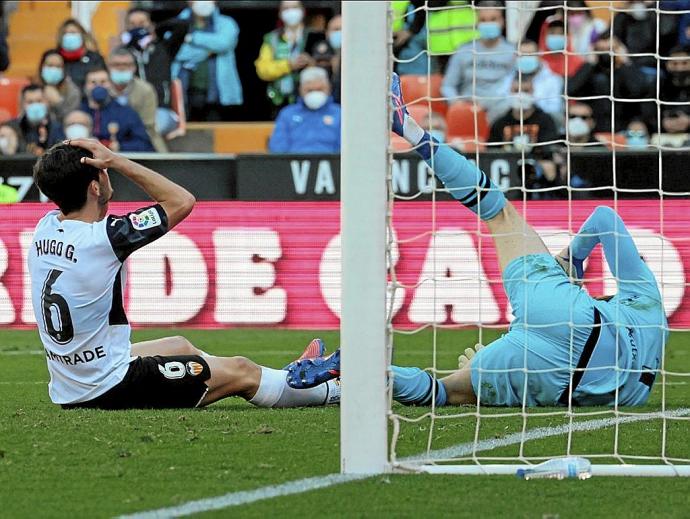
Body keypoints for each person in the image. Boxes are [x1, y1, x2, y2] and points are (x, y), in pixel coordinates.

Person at [288, 74, 666, 409]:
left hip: (571, 314)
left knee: (499, 212)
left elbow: (605, 218)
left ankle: (406, 127)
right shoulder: (640, 394)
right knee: (444, 392)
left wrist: (572, 262)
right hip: (560, 385)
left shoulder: (647, 300)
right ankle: (352, 368)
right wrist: (513, 348)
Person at [29, 139, 341, 410]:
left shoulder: (46, 227)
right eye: (103, 172)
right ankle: (331, 389)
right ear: (95, 187)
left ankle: (286, 378)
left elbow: (83, 206)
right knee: (241, 371)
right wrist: (118, 161)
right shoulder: (106, 238)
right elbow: (181, 201)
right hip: (109, 386)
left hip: (72, 380)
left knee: (180, 345)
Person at [121, 7, 189, 136]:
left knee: (151, 127)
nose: (137, 27)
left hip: (161, 110)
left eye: (142, 23)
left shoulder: (163, 48)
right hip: (131, 110)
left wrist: (156, 28)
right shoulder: (122, 52)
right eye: (133, 24)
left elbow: (183, 25)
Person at [441, 4, 515, 123]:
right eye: (483, 20)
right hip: (468, 111)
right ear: (477, 23)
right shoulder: (464, 50)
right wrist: (457, 103)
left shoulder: (513, 52)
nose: (488, 24)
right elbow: (447, 86)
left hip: (502, 112)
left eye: (493, 19)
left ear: (503, 22)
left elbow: (517, 86)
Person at [172, 1, 243, 121]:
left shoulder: (227, 23)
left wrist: (191, 38)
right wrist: (209, 50)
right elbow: (176, 52)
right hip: (186, 90)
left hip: (216, 93)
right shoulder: (176, 24)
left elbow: (224, 43)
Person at [568, 33, 651, 132]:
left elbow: (639, 90)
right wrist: (589, 64)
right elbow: (570, 90)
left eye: (610, 49)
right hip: (593, 128)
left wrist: (625, 61)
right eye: (601, 50)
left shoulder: (626, 70)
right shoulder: (589, 72)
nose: (606, 54)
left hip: (624, 127)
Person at [255, 1, 315, 116]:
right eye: (286, 8)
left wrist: (311, 63)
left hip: (309, 97)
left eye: (294, 7)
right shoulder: (272, 38)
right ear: (280, 13)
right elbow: (262, 70)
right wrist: (288, 65)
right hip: (280, 100)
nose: (291, 11)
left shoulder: (314, 35)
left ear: (303, 11)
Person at [80, 67, 154, 152]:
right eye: (93, 82)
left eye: (103, 82)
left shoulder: (126, 113)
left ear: (111, 84)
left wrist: (121, 147)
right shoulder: (77, 112)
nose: (98, 86)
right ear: (85, 86)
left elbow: (145, 144)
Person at [269, 67, 340, 153]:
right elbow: (278, 148)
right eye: (310, 90)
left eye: (319, 89)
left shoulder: (340, 114)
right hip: (294, 163)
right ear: (300, 90)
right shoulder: (287, 114)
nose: (315, 94)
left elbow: (346, 149)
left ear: (329, 88)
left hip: (331, 164)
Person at [108, 48, 167, 152]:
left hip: (139, 136)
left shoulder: (145, 90)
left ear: (134, 68)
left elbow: (148, 125)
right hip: (108, 136)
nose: (121, 68)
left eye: (127, 65)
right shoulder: (102, 88)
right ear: (108, 67)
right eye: (116, 65)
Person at [488, 76, 559, 151]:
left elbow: (549, 152)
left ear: (533, 92)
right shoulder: (500, 124)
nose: (521, 95)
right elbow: (491, 152)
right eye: (516, 91)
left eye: (525, 91)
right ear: (510, 92)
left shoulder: (545, 121)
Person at [516, 40, 564, 125]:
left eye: (530, 54)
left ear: (539, 55)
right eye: (522, 55)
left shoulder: (554, 80)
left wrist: (529, 103)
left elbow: (555, 112)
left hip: (544, 127)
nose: (526, 58)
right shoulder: (508, 78)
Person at [10, 84, 65, 156]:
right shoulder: (13, 127)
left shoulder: (57, 127)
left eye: (39, 101)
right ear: (23, 104)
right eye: (30, 102)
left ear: (46, 102)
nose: (35, 106)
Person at [55, 18, 106, 90]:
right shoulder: (56, 58)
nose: (69, 36)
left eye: (73, 33)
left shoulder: (95, 59)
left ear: (82, 36)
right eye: (66, 33)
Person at [37, 50, 82, 121]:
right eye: (50, 65)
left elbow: (72, 120)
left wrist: (58, 103)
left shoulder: (72, 91)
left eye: (58, 66)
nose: (53, 70)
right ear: (42, 67)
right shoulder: (33, 88)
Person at [661, 46, 690, 135]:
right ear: (667, 65)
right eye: (674, 64)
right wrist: (662, 122)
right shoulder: (658, 87)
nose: (679, 68)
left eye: (684, 63)